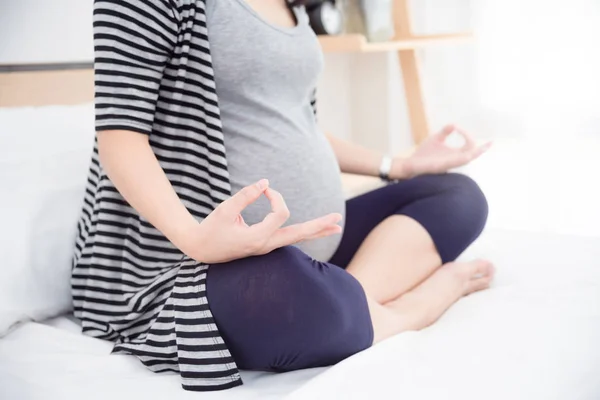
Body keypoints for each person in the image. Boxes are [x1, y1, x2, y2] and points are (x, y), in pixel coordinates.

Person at [72, 0, 494, 391]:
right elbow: (121, 138)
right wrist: (197, 239)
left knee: (457, 195)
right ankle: (406, 312)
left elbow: (296, 120)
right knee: (283, 285)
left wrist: (398, 166)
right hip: (191, 261)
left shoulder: (293, 3)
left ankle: (349, 300)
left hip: (314, 241)